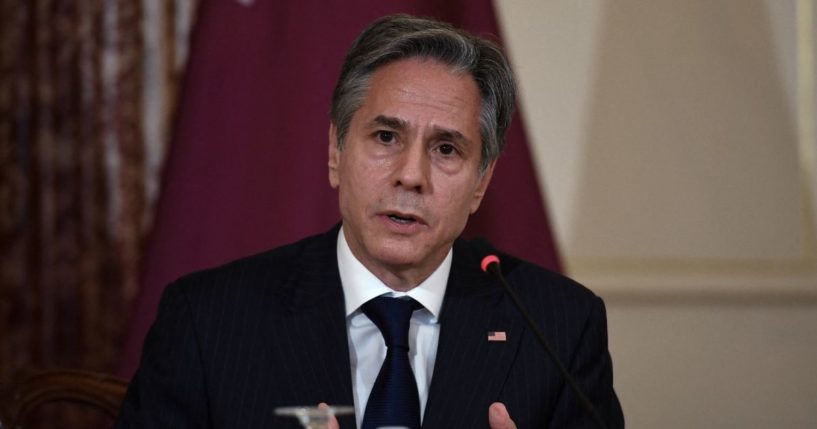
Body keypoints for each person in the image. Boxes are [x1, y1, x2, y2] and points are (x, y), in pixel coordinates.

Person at [114, 14, 624, 429]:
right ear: (336, 150)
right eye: (385, 138)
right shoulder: (210, 322)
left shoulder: (558, 329)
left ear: (481, 183)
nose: (411, 175)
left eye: (446, 149)